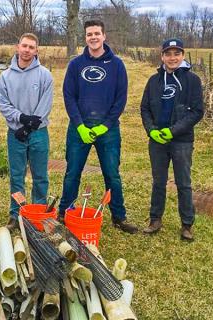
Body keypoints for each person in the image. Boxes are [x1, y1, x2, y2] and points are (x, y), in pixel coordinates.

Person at [58, 20, 138, 234]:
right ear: (85, 38)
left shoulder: (117, 65)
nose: (93, 37)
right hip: (79, 129)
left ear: (104, 36)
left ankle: (119, 217)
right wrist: (80, 126)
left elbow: (120, 99)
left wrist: (106, 125)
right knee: (72, 172)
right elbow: (69, 96)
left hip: (108, 131)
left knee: (112, 173)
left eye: (96, 33)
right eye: (89, 34)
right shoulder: (76, 64)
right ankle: (64, 212)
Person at [140, 38, 204, 241]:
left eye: (177, 54)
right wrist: (151, 131)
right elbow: (144, 108)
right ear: (162, 57)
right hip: (157, 141)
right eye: (168, 54)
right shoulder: (154, 81)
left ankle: (187, 225)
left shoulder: (192, 81)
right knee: (158, 181)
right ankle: (155, 219)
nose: (172, 57)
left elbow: (196, 112)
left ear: (183, 56)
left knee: (183, 182)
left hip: (182, 141)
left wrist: (173, 131)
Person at [0, 33, 54, 230]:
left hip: (38, 133)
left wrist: (29, 126)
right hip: (15, 133)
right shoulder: (5, 77)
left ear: (36, 50)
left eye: (31, 47)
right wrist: (20, 119)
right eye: (24, 46)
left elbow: (45, 105)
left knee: (40, 175)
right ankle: (16, 213)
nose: (27, 50)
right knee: (17, 175)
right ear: (17, 47)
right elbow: (3, 104)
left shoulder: (45, 75)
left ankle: (39, 212)